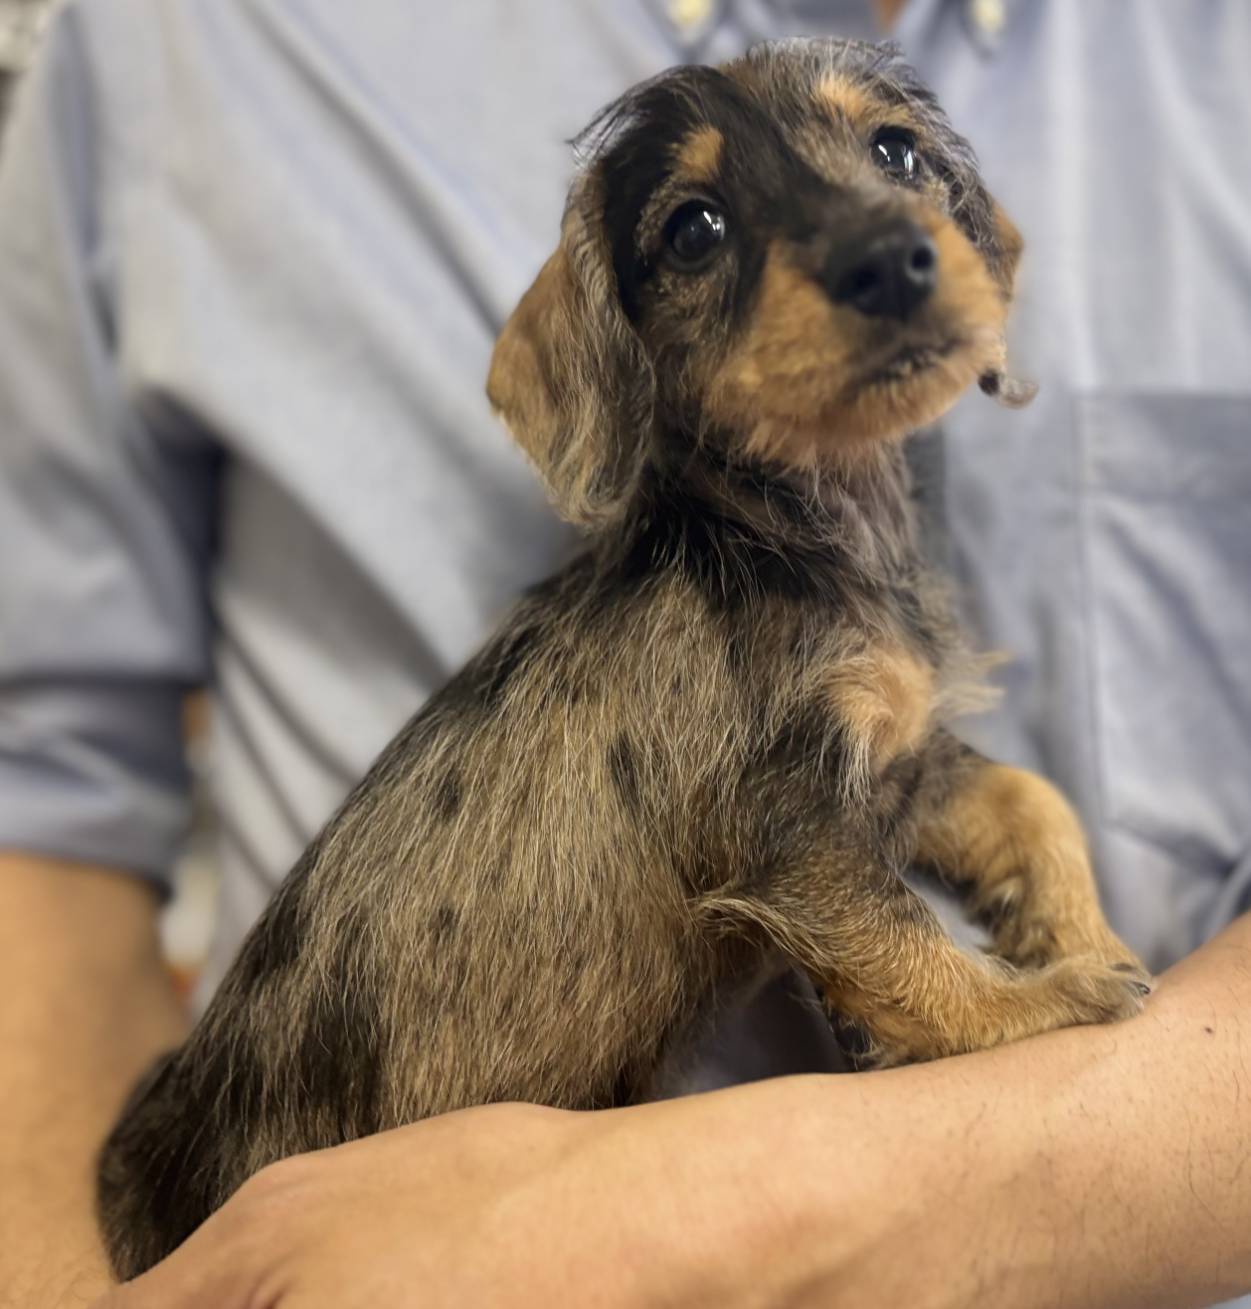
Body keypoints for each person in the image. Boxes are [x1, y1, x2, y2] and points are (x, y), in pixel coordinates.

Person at [1, 1, 1249, 1305]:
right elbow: (43, 794)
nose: (877, 245)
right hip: (289, 1211)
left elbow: (890, 768)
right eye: (699, 231)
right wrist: (991, 1009)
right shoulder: (176, 38)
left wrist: (842, 1192)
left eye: (895, 158)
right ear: (624, 351)